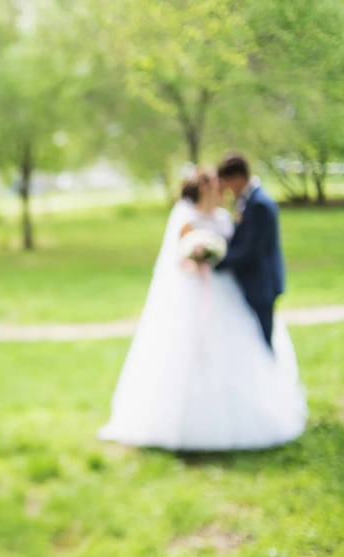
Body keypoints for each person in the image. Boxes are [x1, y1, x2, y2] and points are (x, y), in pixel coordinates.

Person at [98, 169, 306, 451]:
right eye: (215, 187)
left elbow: (238, 247)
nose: (222, 190)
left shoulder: (223, 217)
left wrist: (216, 259)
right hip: (194, 293)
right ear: (204, 190)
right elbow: (179, 260)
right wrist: (199, 259)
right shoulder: (185, 216)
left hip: (228, 291)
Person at [214, 153, 285, 349]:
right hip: (254, 282)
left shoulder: (259, 204)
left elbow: (251, 250)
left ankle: (271, 377)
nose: (227, 188)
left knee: (263, 341)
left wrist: (216, 261)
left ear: (237, 178)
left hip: (261, 283)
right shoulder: (248, 200)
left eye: (227, 182)